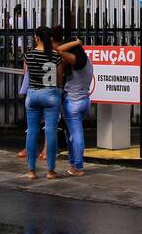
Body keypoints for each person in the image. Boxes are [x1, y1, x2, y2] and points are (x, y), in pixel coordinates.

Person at [23, 27, 63, 180]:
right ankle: (50, 170)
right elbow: (59, 78)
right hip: (50, 94)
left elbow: (26, 74)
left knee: (32, 131)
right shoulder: (55, 55)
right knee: (51, 132)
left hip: (33, 94)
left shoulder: (29, 54)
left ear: (37, 38)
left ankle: (31, 171)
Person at [56, 28, 94, 177]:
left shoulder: (74, 60)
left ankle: (78, 166)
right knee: (71, 134)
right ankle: (73, 164)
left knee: (76, 135)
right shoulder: (87, 61)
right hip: (84, 101)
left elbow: (59, 50)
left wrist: (76, 42)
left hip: (72, 102)